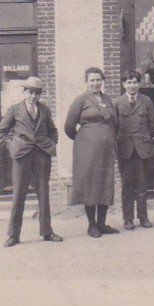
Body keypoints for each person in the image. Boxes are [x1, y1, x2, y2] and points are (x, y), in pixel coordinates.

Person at [0, 76, 63, 246]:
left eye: (37, 93)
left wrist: (51, 143)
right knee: (18, 195)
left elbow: (53, 131)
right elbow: (0, 133)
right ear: (24, 92)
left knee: (43, 194)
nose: (33, 96)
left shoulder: (45, 110)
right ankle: (13, 235)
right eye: (30, 92)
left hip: (41, 156)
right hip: (22, 156)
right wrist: (12, 146)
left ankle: (47, 231)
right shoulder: (14, 110)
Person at [64, 67, 118, 238]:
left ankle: (102, 223)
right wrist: (84, 141)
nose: (95, 83)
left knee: (105, 182)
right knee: (89, 184)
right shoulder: (80, 100)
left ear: (103, 81)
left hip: (106, 150)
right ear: (86, 82)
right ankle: (92, 225)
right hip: (86, 150)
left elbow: (114, 122)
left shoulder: (108, 100)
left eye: (98, 80)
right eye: (92, 80)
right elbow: (69, 127)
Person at [113, 69, 154, 231]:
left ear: (139, 84)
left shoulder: (146, 101)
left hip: (142, 149)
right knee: (127, 187)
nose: (132, 86)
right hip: (125, 150)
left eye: (135, 82)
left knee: (142, 186)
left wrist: (143, 138)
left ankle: (143, 217)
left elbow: (153, 125)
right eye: (128, 82)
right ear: (124, 84)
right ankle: (128, 219)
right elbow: (114, 127)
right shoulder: (117, 103)